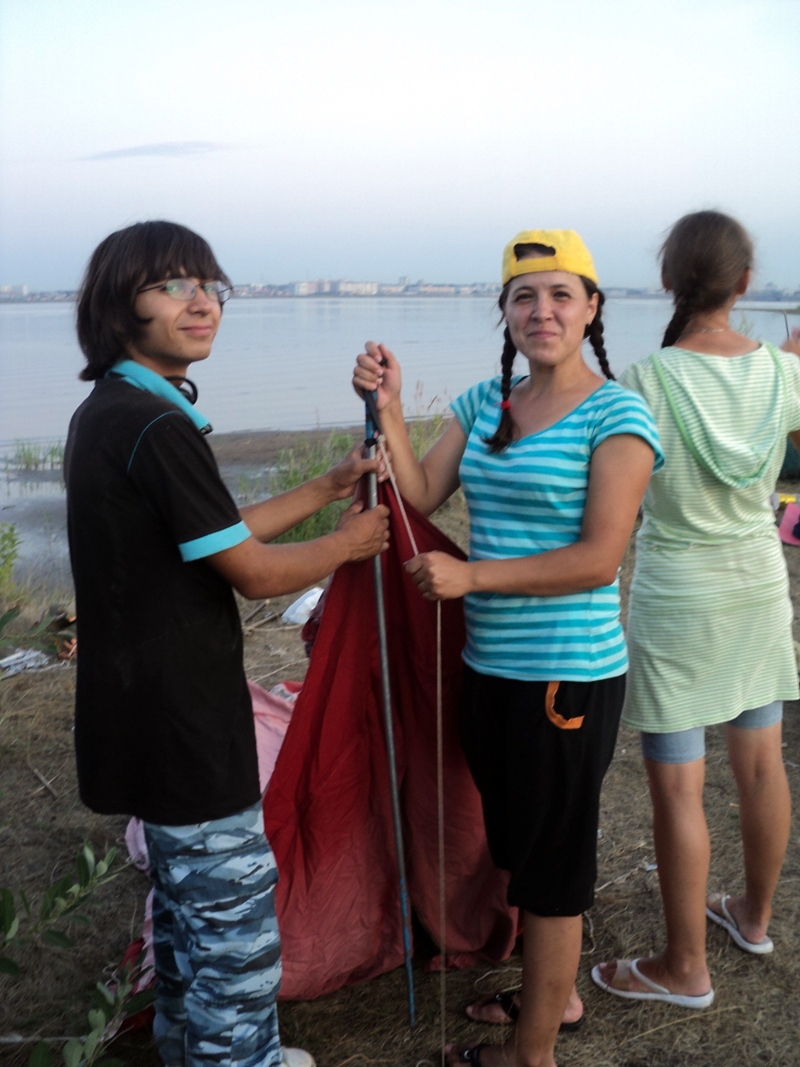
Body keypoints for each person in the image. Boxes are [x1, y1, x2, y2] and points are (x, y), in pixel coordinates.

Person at [65, 220, 390, 1067]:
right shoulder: (154, 424)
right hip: (185, 727)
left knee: (185, 917)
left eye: (209, 284)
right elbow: (252, 571)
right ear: (120, 305)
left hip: (140, 716)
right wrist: (348, 544)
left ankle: (182, 1044)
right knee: (236, 940)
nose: (201, 301)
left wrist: (324, 487)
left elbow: (213, 533)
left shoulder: (116, 410)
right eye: (172, 285)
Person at [352, 229, 663, 1067]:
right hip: (488, 671)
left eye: (561, 294)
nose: (542, 311)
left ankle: (531, 1056)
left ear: (592, 308)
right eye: (524, 296)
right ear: (506, 312)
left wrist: (474, 577)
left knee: (552, 873)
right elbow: (421, 491)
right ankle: (555, 999)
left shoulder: (619, 415)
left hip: (565, 678)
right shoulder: (483, 403)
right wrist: (389, 406)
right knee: (526, 848)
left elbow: (599, 557)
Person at [592, 210, 799, 1010]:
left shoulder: (643, 381)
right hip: (758, 585)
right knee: (762, 765)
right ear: (745, 282)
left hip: (678, 596)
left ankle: (685, 967)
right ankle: (753, 917)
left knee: (679, 789)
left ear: (667, 281)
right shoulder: (782, 372)